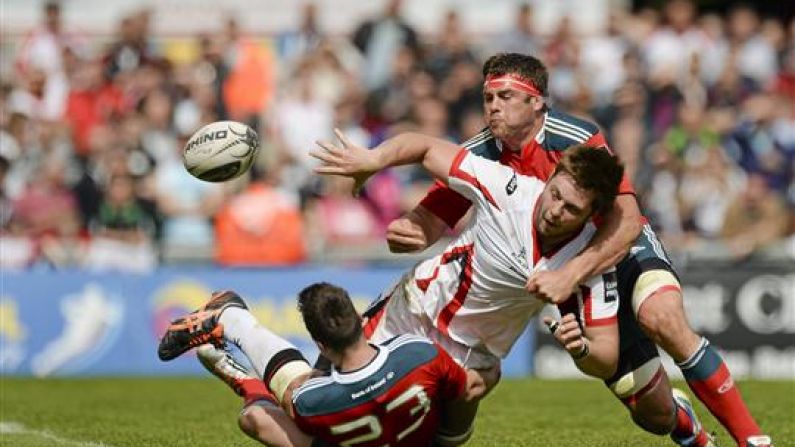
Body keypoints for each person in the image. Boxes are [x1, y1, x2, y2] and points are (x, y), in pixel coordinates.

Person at [385, 52, 771, 447]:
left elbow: (627, 215)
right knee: (652, 413)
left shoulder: (574, 136)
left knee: (662, 318)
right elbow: (430, 221)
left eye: (503, 96)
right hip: (564, 274)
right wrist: (410, 231)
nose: (493, 107)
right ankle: (686, 427)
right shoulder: (480, 152)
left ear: (535, 101)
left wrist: (570, 275)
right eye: (488, 98)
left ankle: (753, 440)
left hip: (616, 245)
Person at [160, 132, 625, 445]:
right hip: (410, 317)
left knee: (438, 425)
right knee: (313, 419)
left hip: (469, 362)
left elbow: (606, 356)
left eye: (570, 208)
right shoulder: (511, 189)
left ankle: (241, 359)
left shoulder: (589, 259)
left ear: (591, 215)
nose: (554, 209)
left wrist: (579, 347)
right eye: (555, 193)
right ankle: (233, 324)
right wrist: (373, 160)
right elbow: (425, 147)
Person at [160, 285, 488, 447]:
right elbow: (470, 389)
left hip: (338, 422)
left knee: (255, 418)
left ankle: (237, 343)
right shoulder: (417, 353)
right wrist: (454, 437)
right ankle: (232, 325)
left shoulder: (311, 399)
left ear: (320, 346)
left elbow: (290, 401)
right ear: (362, 321)